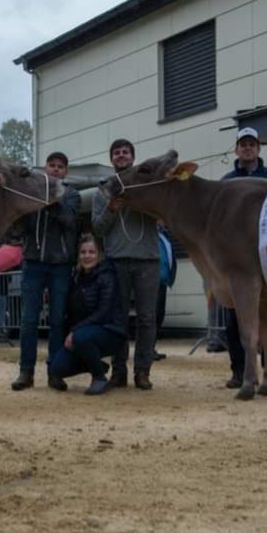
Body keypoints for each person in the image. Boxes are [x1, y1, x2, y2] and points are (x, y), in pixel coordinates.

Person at [91, 138, 162, 390]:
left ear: (133, 157)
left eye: (125, 152)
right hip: (116, 260)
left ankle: (143, 371)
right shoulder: (102, 189)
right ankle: (118, 371)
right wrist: (111, 208)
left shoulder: (149, 183)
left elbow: (164, 215)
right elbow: (97, 228)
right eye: (117, 153)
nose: (121, 156)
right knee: (117, 319)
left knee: (146, 318)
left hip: (148, 260)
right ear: (111, 159)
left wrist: (143, 201)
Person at [220, 127, 267, 388]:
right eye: (243, 144)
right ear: (236, 149)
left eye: (252, 144)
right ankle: (239, 371)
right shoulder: (226, 182)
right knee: (235, 319)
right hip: (238, 257)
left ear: (259, 148)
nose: (247, 148)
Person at [11, 151, 81, 391]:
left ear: (66, 171)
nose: (55, 169)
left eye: (60, 166)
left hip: (61, 264)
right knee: (28, 320)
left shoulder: (72, 194)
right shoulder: (33, 194)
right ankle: (25, 372)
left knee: (57, 320)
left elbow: (70, 221)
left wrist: (53, 201)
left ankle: (55, 372)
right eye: (51, 166)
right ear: (44, 169)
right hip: (33, 262)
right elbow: (19, 228)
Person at [48, 234, 127, 395]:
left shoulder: (108, 275)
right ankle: (96, 364)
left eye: (92, 252)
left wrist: (75, 331)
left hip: (110, 331)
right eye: (83, 252)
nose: (87, 256)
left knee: (81, 337)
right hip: (84, 333)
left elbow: (104, 313)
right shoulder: (75, 277)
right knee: (56, 368)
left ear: (99, 254)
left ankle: (99, 378)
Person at [152, 222, 177, 361]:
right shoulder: (149, 235)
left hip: (162, 281)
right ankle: (147, 349)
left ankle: (151, 347)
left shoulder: (164, 235)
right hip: (152, 280)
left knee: (159, 315)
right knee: (152, 316)